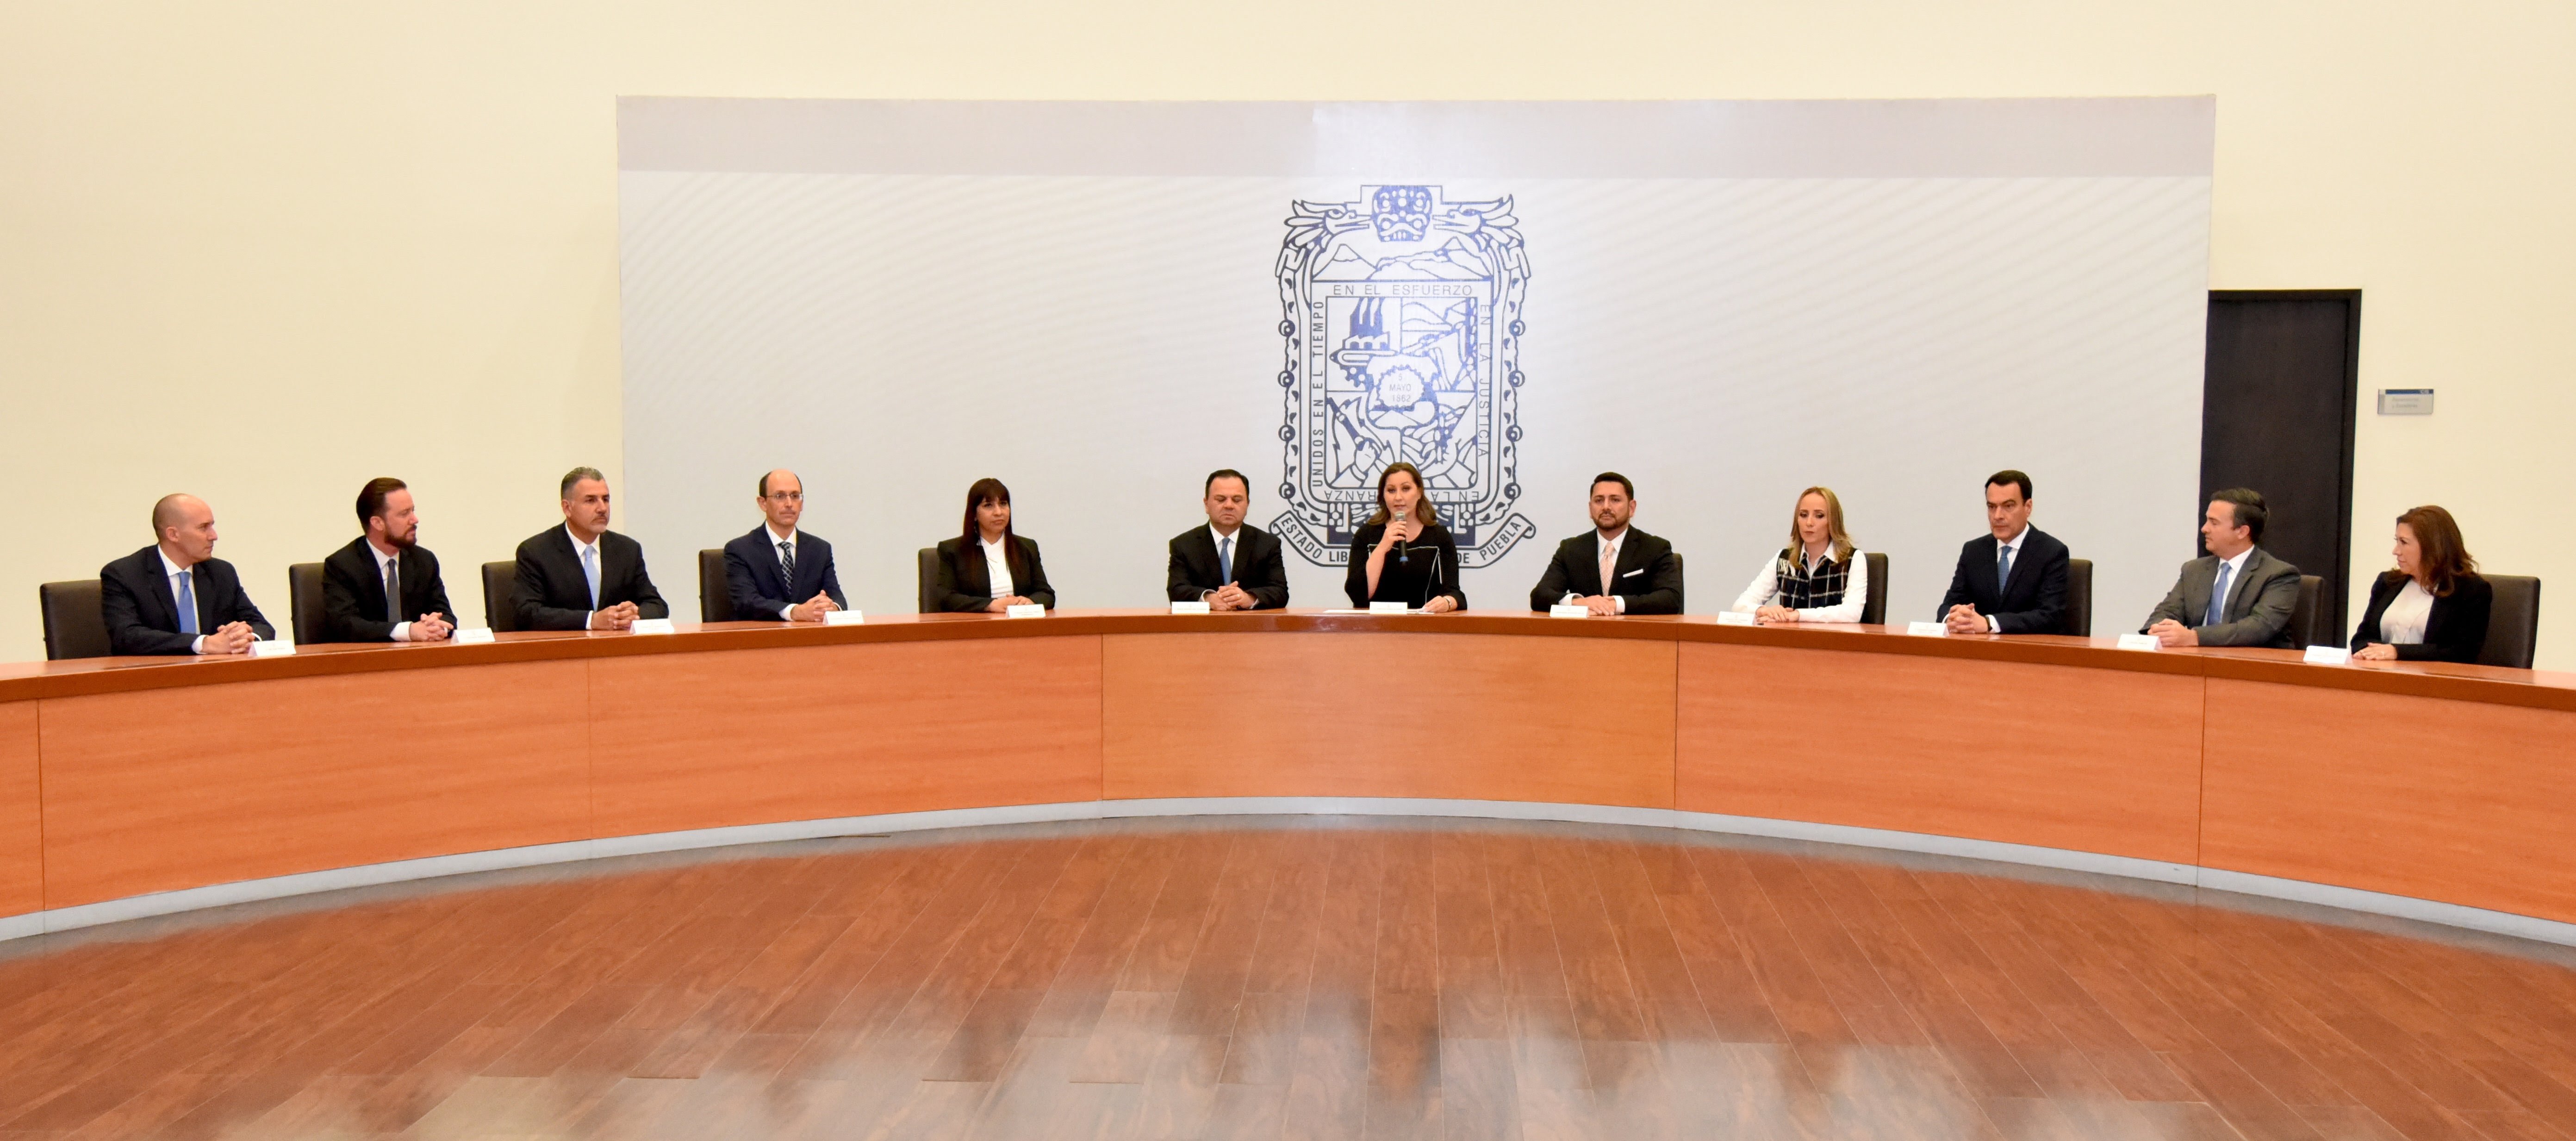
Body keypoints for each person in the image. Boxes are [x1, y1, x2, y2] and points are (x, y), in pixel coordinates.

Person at [99, 493, 275, 655]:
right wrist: (203, 643)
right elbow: (127, 637)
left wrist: (245, 640)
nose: (214, 536)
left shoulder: (221, 572)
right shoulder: (124, 574)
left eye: (212, 526)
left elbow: (262, 626)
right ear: (173, 534)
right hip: (154, 678)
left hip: (215, 675)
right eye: (203, 528)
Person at [511, 467, 670, 631]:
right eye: (591, 500)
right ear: (567, 508)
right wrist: (590, 621)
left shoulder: (627, 550)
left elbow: (657, 606)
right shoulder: (536, 552)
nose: (602, 508)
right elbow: (526, 613)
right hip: (563, 651)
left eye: (606, 499)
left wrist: (634, 614)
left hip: (616, 651)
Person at [2143, 488, 2300, 648]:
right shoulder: (2194, 570)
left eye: (2214, 522)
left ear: (2242, 531)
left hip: (2254, 666)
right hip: (2196, 662)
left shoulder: (2279, 575)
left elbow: (2259, 628)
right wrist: (2158, 631)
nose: (2205, 528)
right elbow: (2167, 611)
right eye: (2207, 520)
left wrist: (2194, 637)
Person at [319, 477, 455, 642]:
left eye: (413, 511)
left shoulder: (424, 560)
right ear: (378, 523)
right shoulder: (343, 565)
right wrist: (408, 631)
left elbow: (446, 615)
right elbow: (346, 625)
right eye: (405, 514)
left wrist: (438, 626)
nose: (415, 520)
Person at [2350, 505, 2491, 662]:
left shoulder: (2471, 590)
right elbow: (2361, 639)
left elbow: (2463, 652)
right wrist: (2370, 652)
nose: (2396, 551)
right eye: (2397, 541)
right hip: (2381, 676)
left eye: (2404, 542)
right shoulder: (2387, 582)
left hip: (2435, 682)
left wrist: (2398, 652)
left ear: (2432, 547)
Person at [1937, 470, 2071, 635]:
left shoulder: (2052, 552)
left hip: (2028, 653)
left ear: (2028, 507)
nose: (1998, 516)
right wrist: (1952, 619)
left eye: (2008, 506)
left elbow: (2049, 616)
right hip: (1978, 652)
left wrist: (1989, 623)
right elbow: (1949, 604)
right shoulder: (1974, 551)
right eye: (1992, 507)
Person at [1529, 472, 1681, 614]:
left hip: (1636, 638)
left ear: (1632, 508)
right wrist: (1578, 602)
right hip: (1584, 638)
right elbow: (1540, 596)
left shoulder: (1655, 548)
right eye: (1599, 500)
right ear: (1590, 508)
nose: (1606, 507)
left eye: (1615, 500)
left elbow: (1670, 598)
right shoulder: (1571, 550)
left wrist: (1616, 604)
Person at [723, 469, 846, 622]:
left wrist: (831, 608)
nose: (789, 504)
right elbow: (747, 602)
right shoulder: (740, 550)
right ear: (763, 503)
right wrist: (794, 612)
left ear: (802, 503)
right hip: (761, 640)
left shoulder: (820, 549)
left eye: (795, 496)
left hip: (808, 640)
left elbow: (837, 598)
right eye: (780, 496)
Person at [1730, 486, 1867, 623]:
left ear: (1833, 521)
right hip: (1790, 642)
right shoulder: (1784, 559)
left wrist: (1798, 615)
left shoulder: (1852, 559)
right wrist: (1764, 610)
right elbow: (1740, 606)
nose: (1809, 523)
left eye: (1819, 516)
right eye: (1803, 515)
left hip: (1833, 642)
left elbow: (1852, 613)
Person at [1344, 462, 1465, 612]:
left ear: (1419, 492)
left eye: (1406, 489)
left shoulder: (1439, 537)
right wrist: (1382, 547)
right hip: (1374, 629)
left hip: (1423, 628)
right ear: (1383, 495)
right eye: (1391, 490)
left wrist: (1447, 602)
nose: (1398, 497)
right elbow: (1357, 595)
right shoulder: (1366, 535)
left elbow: (1455, 594)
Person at [1167, 468, 1289, 610]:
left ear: (1248, 504)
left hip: (1251, 629)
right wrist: (1208, 599)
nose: (1229, 506)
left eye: (1237, 500)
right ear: (1206, 504)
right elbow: (1176, 591)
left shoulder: (1267, 544)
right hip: (1201, 629)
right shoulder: (1184, 545)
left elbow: (1280, 592)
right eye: (1221, 499)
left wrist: (1247, 598)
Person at [933, 477, 1057, 612]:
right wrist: (991, 605)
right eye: (989, 506)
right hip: (974, 627)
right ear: (974, 514)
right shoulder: (953, 551)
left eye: (1003, 504)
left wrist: (1030, 602)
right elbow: (946, 598)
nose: (999, 512)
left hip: (1019, 625)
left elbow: (1046, 594)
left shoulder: (1026, 547)